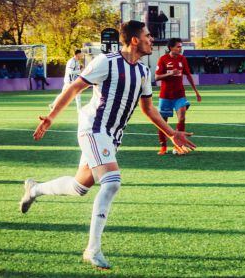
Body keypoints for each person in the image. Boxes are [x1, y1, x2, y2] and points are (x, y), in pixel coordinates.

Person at [19, 21, 196, 269]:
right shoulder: (106, 62)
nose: (151, 39)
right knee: (112, 182)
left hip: (112, 136)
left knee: (79, 187)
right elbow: (73, 88)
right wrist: (51, 117)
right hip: (93, 128)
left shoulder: (143, 72)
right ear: (134, 40)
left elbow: (148, 109)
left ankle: (34, 189)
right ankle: (92, 250)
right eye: (147, 36)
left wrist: (171, 133)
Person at [155, 37, 201, 155]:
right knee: (163, 122)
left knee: (182, 118)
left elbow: (189, 75)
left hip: (180, 95)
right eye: (178, 46)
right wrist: (170, 73)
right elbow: (157, 77)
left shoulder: (182, 59)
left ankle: (178, 146)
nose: (180, 48)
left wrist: (196, 92)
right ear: (171, 48)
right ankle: (163, 146)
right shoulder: (163, 59)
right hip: (165, 96)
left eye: (181, 46)